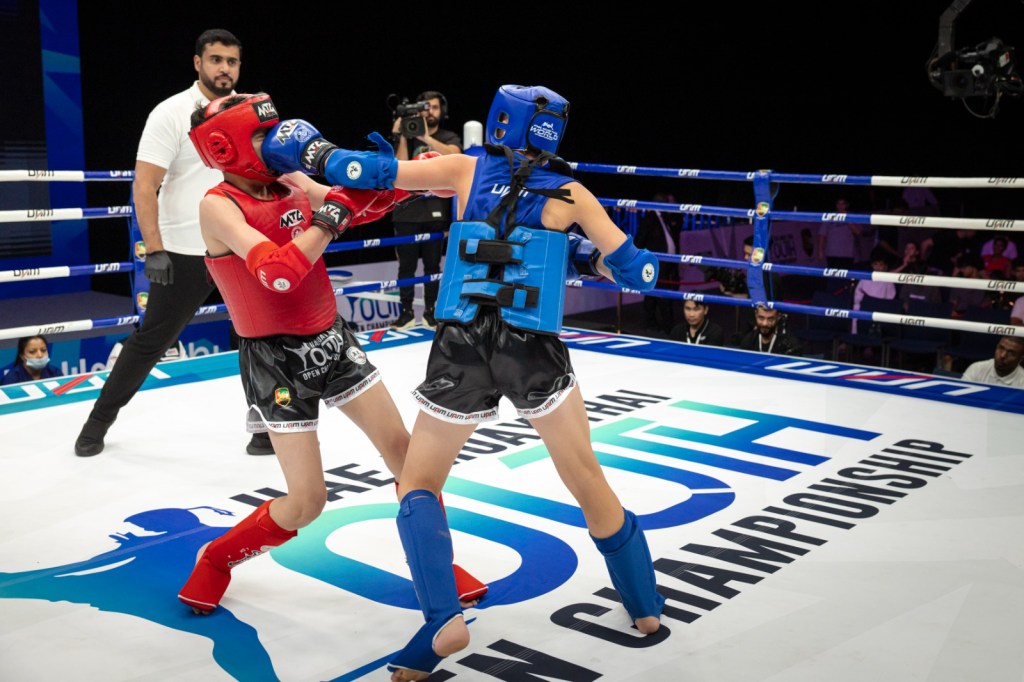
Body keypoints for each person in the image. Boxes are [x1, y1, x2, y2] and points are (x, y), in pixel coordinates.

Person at [261, 83, 665, 681]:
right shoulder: (572, 192)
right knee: (584, 474)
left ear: (503, 122)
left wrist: (306, 151)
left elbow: (365, 172)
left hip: (462, 345)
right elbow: (637, 271)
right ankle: (645, 608)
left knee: (418, 483)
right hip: (532, 349)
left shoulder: (465, 169)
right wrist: (590, 254)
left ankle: (442, 620)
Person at [176, 93, 486, 617]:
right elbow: (278, 272)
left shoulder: (291, 181)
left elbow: (354, 206)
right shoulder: (218, 206)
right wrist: (332, 215)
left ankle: (436, 566)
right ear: (225, 147)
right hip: (275, 361)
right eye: (261, 136)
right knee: (307, 503)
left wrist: (395, 181)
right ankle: (217, 557)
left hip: (333, 340)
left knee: (408, 458)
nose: (275, 143)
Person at [73, 29, 275, 458]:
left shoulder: (251, 110)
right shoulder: (171, 113)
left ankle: (265, 427)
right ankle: (96, 423)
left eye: (232, 61)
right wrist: (155, 248)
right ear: (198, 63)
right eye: (216, 59)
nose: (224, 68)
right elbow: (145, 185)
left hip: (240, 242)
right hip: (185, 249)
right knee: (152, 340)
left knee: (259, 337)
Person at [389, 91, 462, 330]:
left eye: (435, 107)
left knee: (433, 266)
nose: (430, 111)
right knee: (405, 267)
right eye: (426, 107)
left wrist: (425, 137)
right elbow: (399, 169)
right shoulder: (408, 137)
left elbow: (457, 157)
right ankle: (406, 313)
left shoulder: (448, 136)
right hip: (406, 210)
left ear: (442, 111)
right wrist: (402, 136)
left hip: (435, 209)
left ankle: (431, 312)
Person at [633, 192, 680, 335]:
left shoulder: (665, 218)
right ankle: (666, 327)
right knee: (659, 295)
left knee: (654, 295)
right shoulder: (649, 219)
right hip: (655, 263)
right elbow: (639, 240)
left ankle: (653, 325)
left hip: (667, 263)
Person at [851, 248, 897, 334]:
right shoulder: (865, 278)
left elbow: (890, 302)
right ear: (872, 265)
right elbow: (857, 298)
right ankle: (855, 337)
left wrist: (876, 305)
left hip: (880, 311)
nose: (878, 268)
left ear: (885, 266)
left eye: (881, 265)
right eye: (875, 264)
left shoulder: (889, 282)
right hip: (865, 308)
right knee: (856, 309)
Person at [736, 305, 803, 356]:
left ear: (778, 317)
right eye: (761, 318)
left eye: (770, 319)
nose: (765, 323)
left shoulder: (790, 345)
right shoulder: (748, 340)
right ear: (756, 315)